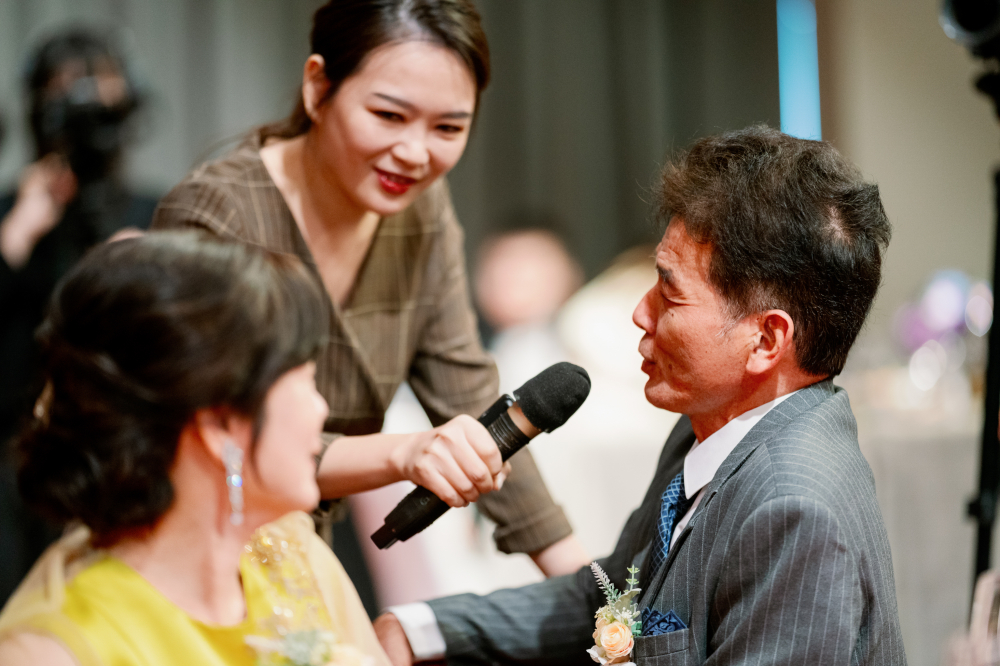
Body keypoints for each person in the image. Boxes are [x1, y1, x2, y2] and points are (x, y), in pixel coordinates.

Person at [374, 126, 907, 665]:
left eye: (669, 293)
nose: (639, 312)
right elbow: (615, 605)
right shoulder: (712, 425)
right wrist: (420, 629)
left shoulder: (794, 509)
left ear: (766, 339)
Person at [152, 0, 586, 577]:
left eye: (448, 128)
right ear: (317, 87)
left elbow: (472, 404)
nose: (414, 153)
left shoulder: (420, 213)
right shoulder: (219, 217)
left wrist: (595, 592)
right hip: (185, 550)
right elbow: (213, 440)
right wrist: (404, 454)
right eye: (388, 115)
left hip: (299, 555)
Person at [0, 231, 392, 666]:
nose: (322, 409)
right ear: (219, 424)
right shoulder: (54, 649)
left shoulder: (294, 554)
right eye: (303, 378)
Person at [0, 28, 157, 605]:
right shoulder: (10, 219)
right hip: (13, 463)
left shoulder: (154, 215)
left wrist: (147, 271)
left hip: (127, 460)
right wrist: (15, 238)